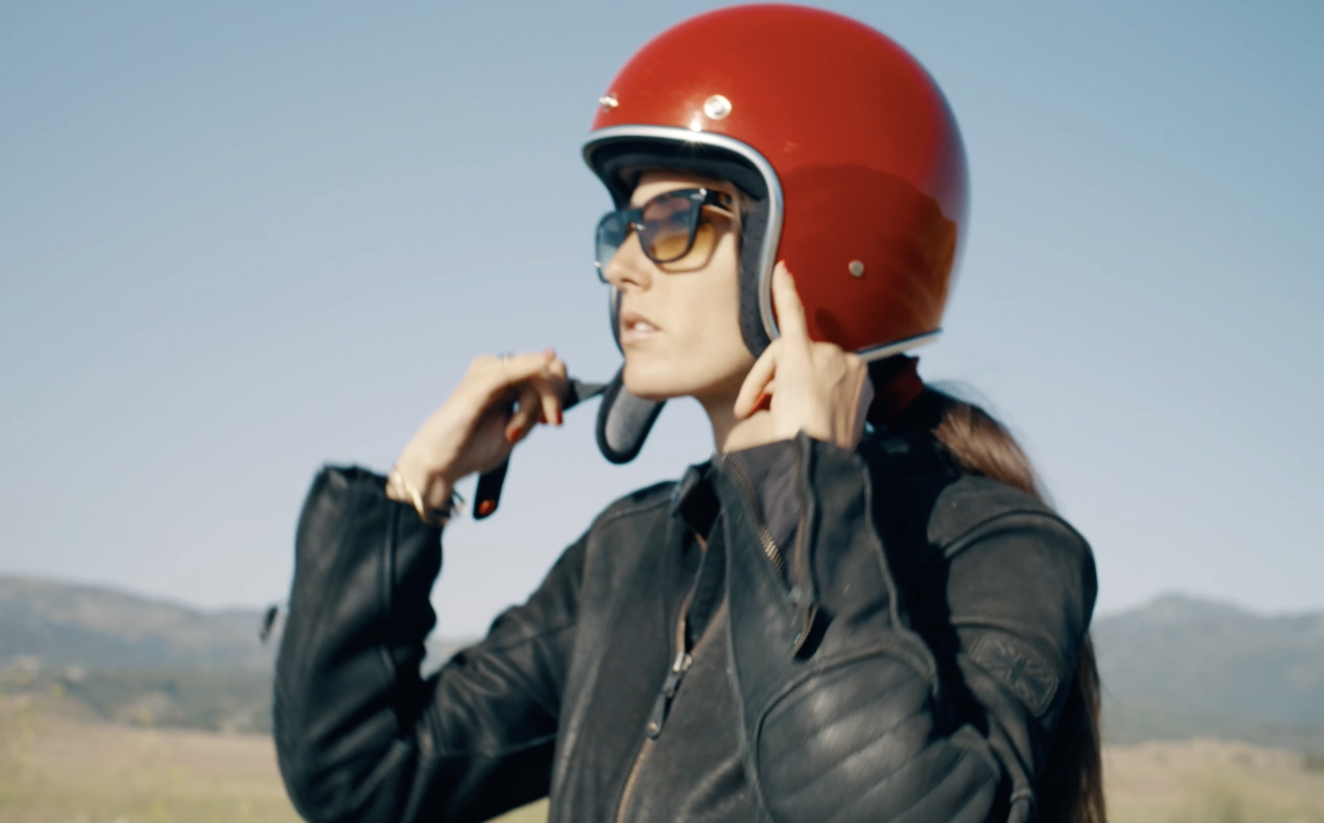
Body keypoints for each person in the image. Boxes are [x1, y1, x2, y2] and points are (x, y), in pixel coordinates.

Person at [272, 6, 1103, 823]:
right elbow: (364, 777)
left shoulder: (993, 550)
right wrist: (415, 487)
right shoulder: (631, 552)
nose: (621, 268)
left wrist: (802, 497)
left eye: (671, 222)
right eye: (621, 227)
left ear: (817, 240)